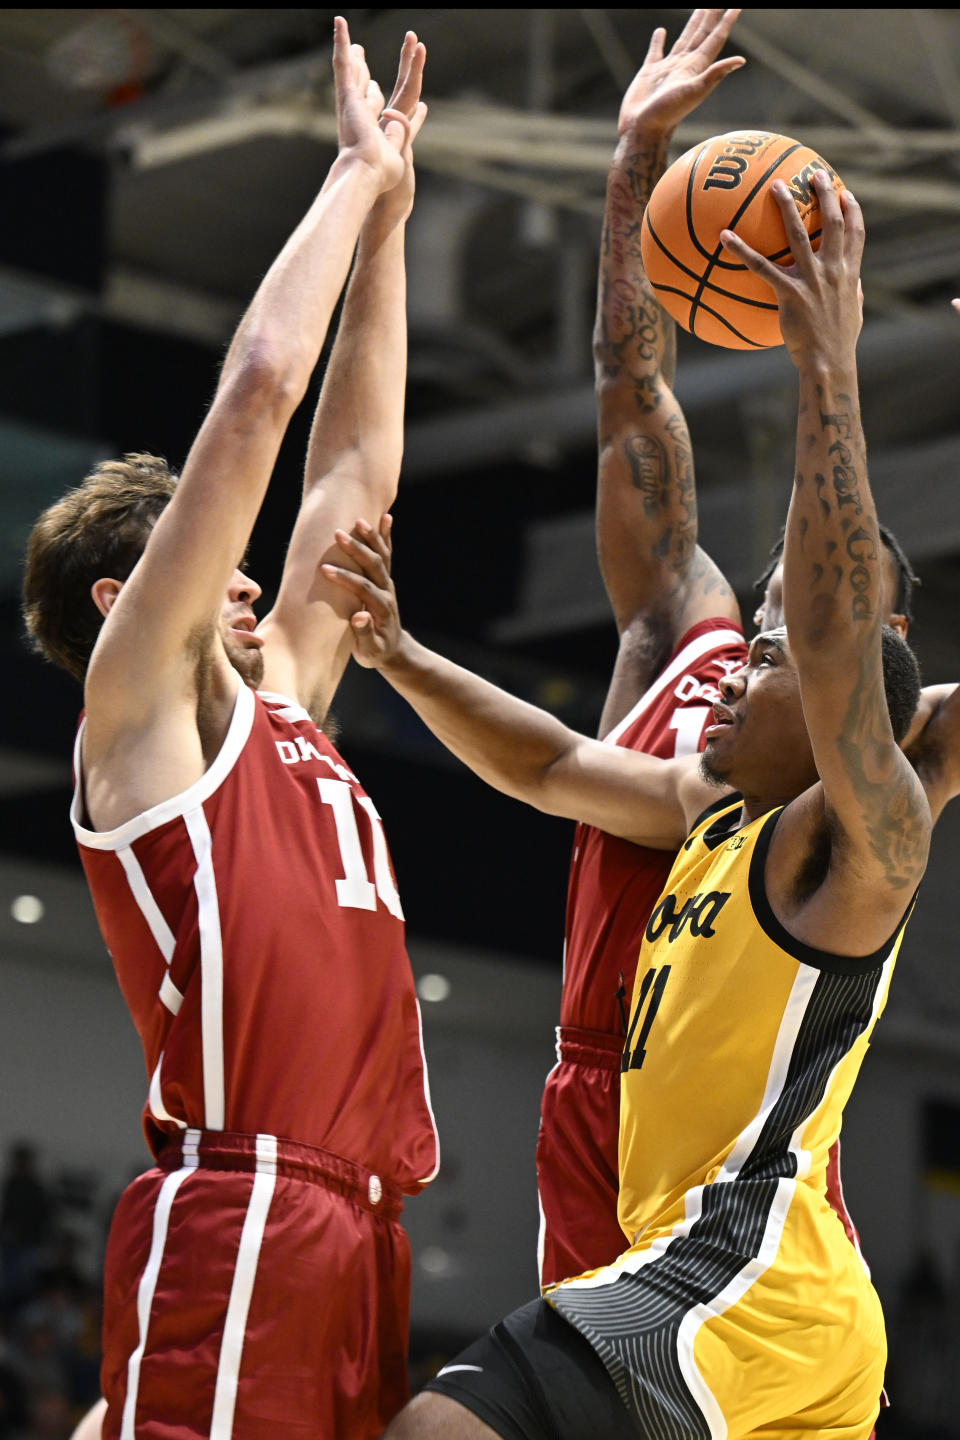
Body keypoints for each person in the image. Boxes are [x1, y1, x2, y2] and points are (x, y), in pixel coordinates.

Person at [326, 172, 930, 1439]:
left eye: (769, 653)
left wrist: (831, 366)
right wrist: (396, 653)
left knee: (443, 1427)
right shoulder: (702, 811)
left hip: (753, 1257)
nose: (745, 659)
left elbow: (834, 640)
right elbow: (548, 767)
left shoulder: (856, 845)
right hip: (677, 1230)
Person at [22, 21, 437, 1440]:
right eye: (218, 564)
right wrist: (345, 173)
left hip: (359, 1229)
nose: (255, 580)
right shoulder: (138, 714)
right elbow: (263, 396)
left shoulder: (282, 710)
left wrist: (389, 227)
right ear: (124, 595)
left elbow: (354, 473)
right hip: (244, 1200)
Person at [536, 6, 747, 1291]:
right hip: (599, 1086)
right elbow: (632, 397)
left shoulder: (874, 742)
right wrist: (633, 168)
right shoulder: (687, 624)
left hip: (755, 1119)